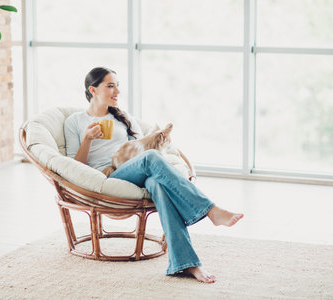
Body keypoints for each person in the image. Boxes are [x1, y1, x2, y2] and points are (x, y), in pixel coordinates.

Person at [64, 67, 244, 284]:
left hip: (134, 167)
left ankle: (187, 264)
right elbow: (74, 167)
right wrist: (87, 140)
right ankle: (210, 210)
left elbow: (141, 148)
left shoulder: (123, 117)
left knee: (157, 184)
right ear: (92, 89)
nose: (117, 91)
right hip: (106, 176)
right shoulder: (74, 121)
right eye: (110, 86)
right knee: (150, 158)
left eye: (118, 85)